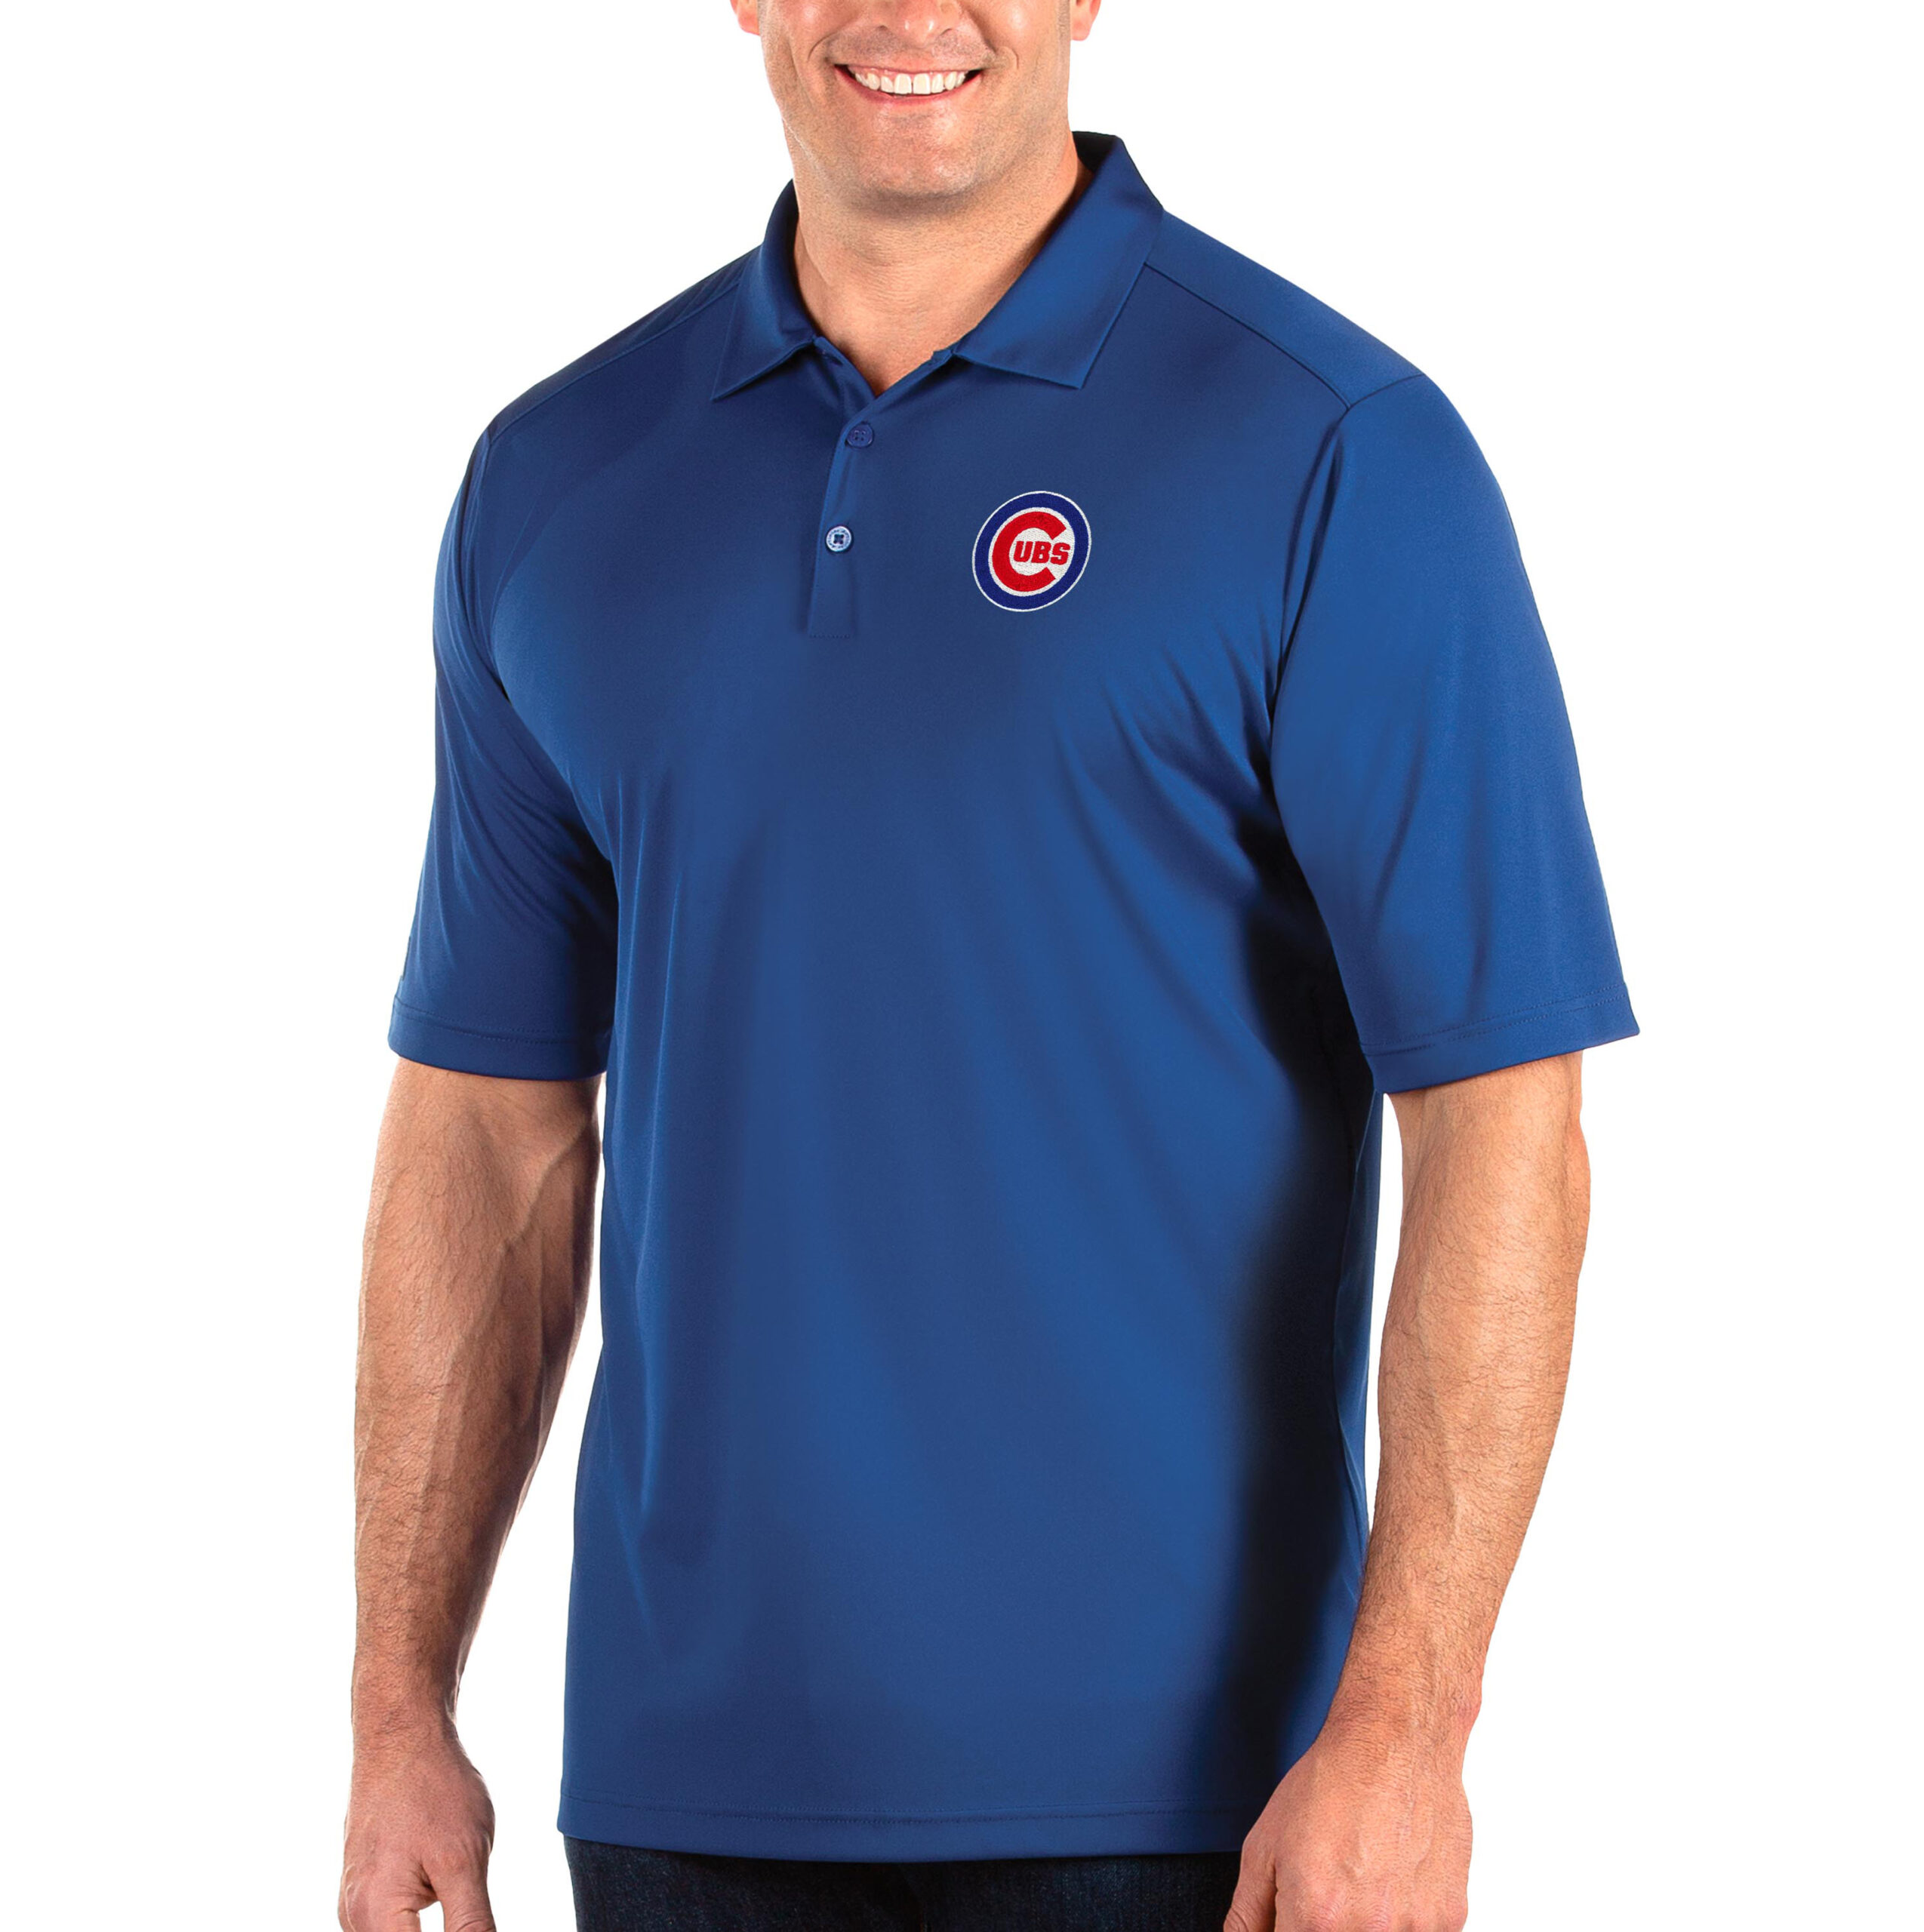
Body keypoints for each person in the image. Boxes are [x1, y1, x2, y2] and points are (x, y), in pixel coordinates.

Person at [339, 2, 1636, 1927]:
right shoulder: (556, 479)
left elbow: (1500, 1118)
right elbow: (486, 1130)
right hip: (676, 1794)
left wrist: (1404, 1727)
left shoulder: (1331, 450)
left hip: (1192, 1805)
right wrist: (397, 1706)